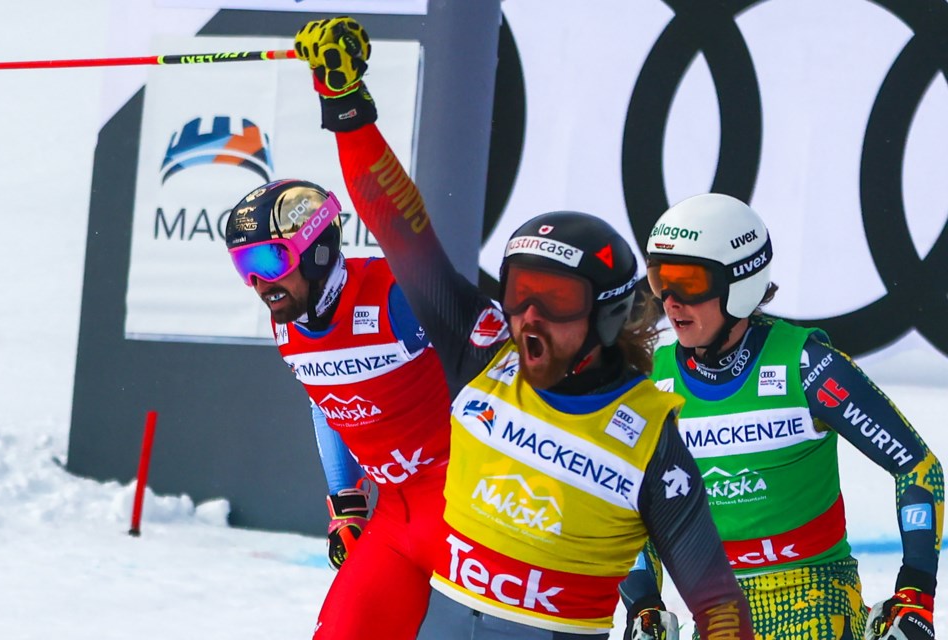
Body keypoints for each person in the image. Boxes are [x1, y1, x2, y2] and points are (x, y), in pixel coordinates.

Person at [293, 17, 754, 639]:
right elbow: (402, 231)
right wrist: (346, 107)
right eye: (517, 294)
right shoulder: (484, 355)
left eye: (557, 300)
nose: (529, 317)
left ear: (610, 313)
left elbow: (717, 602)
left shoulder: (651, 437)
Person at [618, 192, 943, 640]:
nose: (670, 301)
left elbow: (916, 465)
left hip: (819, 604)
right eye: (660, 280)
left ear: (740, 282)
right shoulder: (656, 379)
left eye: (688, 282)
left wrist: (915, 593)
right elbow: (625, 496)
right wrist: (644, 606)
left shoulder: (808, 366)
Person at [224, 179, 454, 639]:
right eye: (244, 265)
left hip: (464, 510)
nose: (259, 282)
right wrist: (345, 501)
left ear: (318, 250)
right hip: (397, 519)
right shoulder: (287, 328)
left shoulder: (396, 297)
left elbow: (497, 381)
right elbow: (325, 401)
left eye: (270, 259)